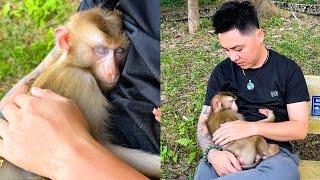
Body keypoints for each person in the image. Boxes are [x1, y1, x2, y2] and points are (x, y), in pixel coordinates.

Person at [0, 0, 159, 179]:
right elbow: (96, 151)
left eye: (119, 52)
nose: (112, 70)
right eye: (100, 50)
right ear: (65, 41)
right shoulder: (81, 79)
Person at [194, 1, 309, 180]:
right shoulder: (222, 72)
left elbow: (300, 129)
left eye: (238, 48)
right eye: (226, 50)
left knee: (283, 174)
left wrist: (250, 128)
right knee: (204, 173)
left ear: (260, 35)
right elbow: (204, 121)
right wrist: (212, 154)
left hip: (272, 154)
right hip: (228, 150)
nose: (232, 57)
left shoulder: (288, 70)